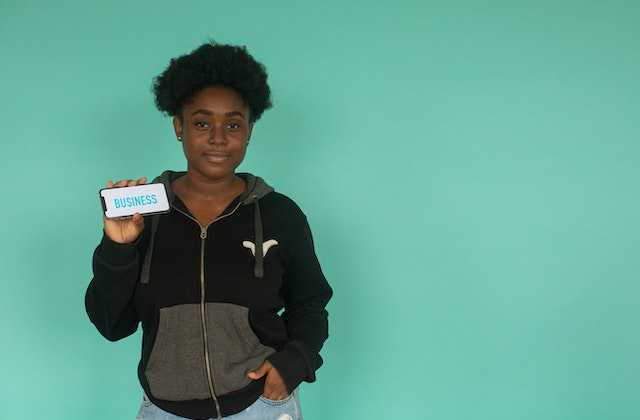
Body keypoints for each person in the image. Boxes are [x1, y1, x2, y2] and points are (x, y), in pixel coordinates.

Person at [84, 40, 333, 420]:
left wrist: (294, 362)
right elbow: (111, 324)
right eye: (202, 123)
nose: (218, 138)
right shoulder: (143, 216)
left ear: (249, 130)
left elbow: (310, 303)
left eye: (233, 124)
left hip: (261, 406)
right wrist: (118, 249)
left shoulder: (279, 213)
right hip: (165, 411)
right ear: (178, 127)